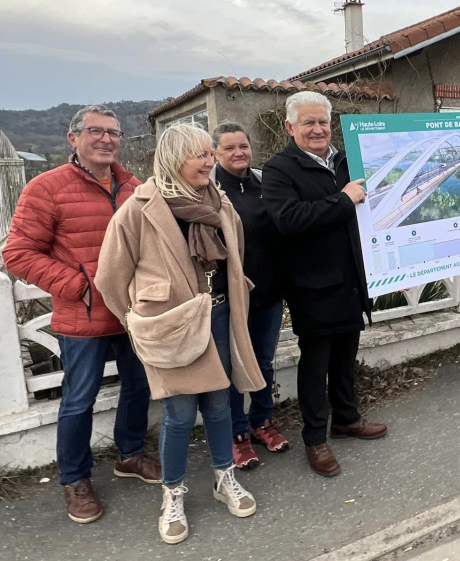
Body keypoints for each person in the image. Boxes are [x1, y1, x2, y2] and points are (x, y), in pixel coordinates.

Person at [95, 123, 266, 544]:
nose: (210, 161)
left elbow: (235, 256)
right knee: (180, 414)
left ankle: (224, 478)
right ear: (174, 160)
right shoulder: (139, 210)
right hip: (173, 327)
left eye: (210, 153)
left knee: (223, 405)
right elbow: (110, 279)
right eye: (200, 155)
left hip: (221, 318)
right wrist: (140, 323)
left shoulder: (220, 203)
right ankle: (173, 493)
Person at [2, 105, 160, 524]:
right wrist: (80, 287)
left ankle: (129, 455)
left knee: (139, 387)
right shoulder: (46, 187)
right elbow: (17, 252)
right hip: (83, 317)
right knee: (78, 401)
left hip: (131, 313)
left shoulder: (134, 186)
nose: (107, 139)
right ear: (74, 139)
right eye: (96, 131)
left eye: (113, 132)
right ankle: (74, 479)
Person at [262, 91, 387, 478]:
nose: (318, 129)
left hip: (351, 279)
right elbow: (289, 220)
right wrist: (343, 200)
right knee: (316, 366)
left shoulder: (346, 162)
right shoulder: (279, 169)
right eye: (308, 123)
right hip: (313, 287)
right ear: (290, 127)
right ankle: (315, 438)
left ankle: (346, 418)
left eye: (323, 122)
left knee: (346, 356)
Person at [210, 122, 289, 470]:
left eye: (243, 146)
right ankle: (237, 433)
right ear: (215, 153)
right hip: (229, 296)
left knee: (263, 361)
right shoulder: (209, 189)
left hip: (269, 290)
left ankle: (262, 422)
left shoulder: (264, 182)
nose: (239, 152)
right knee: (230, 368)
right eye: (229, 148)